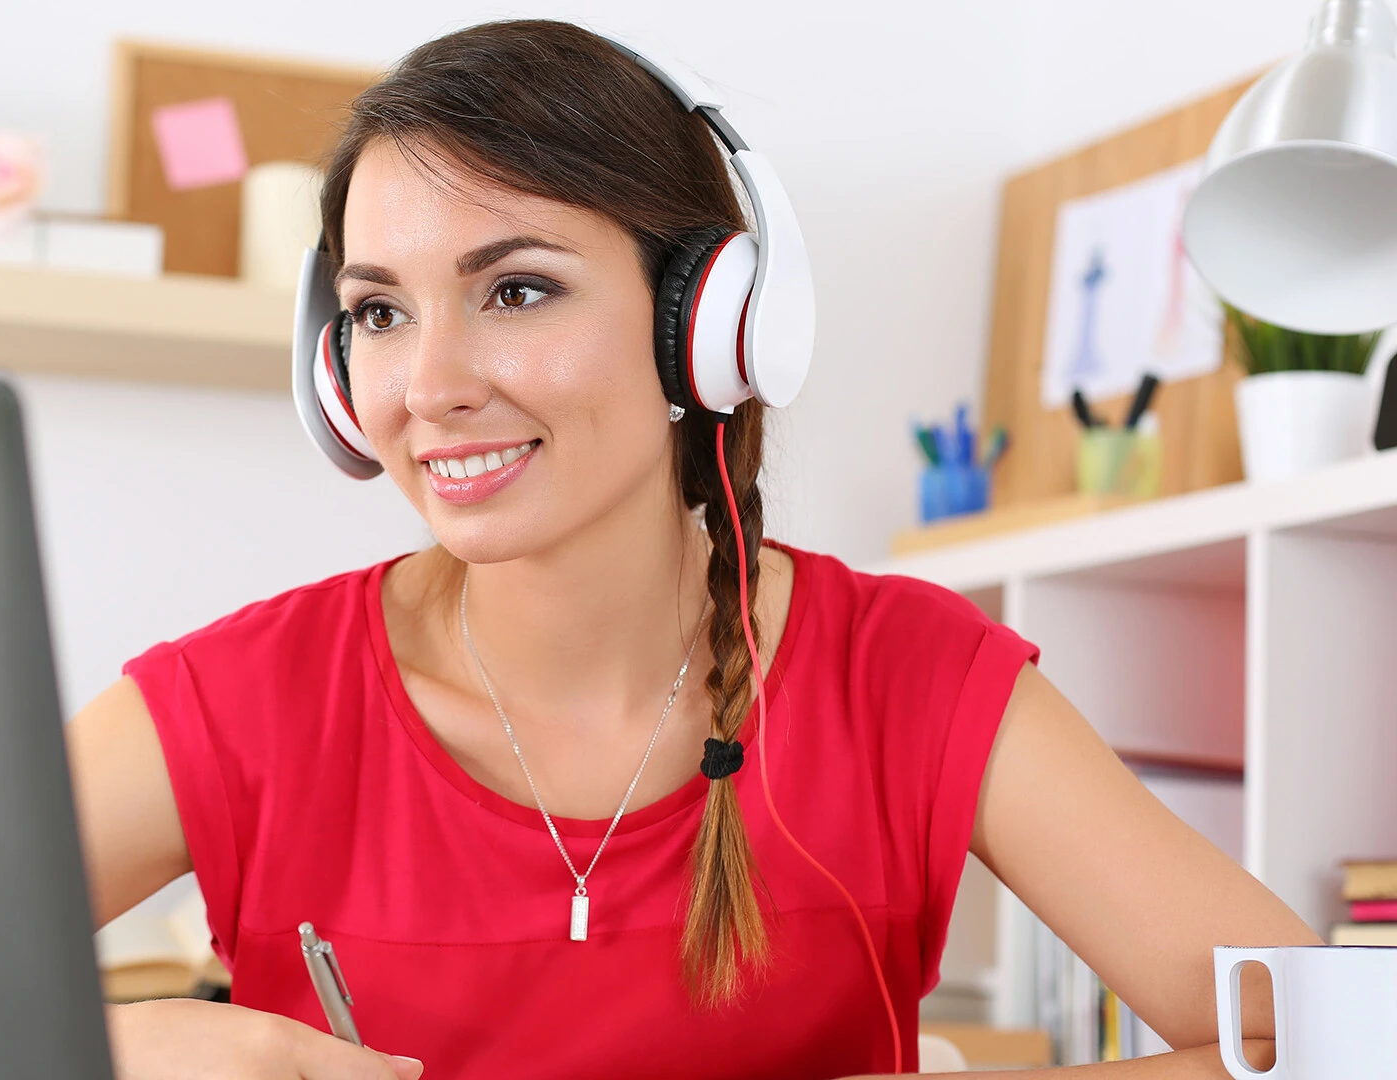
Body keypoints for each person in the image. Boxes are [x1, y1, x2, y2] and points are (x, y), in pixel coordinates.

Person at [67, 19, 1316, 1080]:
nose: (430, 386)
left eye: (516, 290)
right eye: (380, 312)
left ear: (706, 325)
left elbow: (1318, 1043)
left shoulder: (909, 680)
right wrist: (127, 1051)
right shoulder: (241, 704)